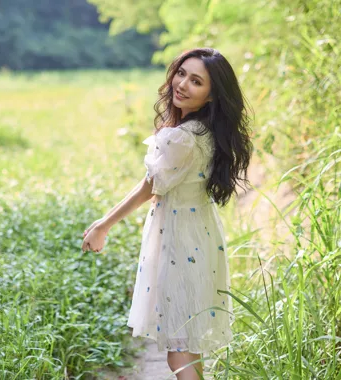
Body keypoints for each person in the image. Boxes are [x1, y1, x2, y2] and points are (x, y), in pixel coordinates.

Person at [81, 47, 253, 379]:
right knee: (186, 343)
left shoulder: (182, 138)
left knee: (180, 351)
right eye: (181, 73)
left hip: (179, 242)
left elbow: (150, 186)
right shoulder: (204, 132)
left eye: (196, 81)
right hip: (196, 234)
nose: (183, 84)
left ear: (211, 95)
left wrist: (104, 225)